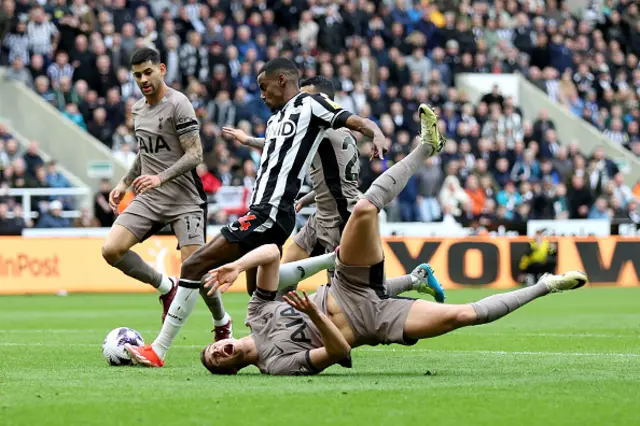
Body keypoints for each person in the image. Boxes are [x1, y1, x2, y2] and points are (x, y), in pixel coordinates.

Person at [129, 104, 586, 375]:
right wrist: (313, 314)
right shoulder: (275, 366)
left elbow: (269, 253)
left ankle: (427, 147)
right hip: (374, 321)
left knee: (366, 208)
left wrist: (237, 265)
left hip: (347, 283)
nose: (221, 351)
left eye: (212, 350)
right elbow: (342, 355)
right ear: (233, 368)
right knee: (464, 316)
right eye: (221, 360)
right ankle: (546, 284)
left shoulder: (256, 313)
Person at [123, 57, 388, 366]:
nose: (261, 96)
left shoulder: (312, 104)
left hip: (271, 211)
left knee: (194, 265)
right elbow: (278, 149)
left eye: (265, 88)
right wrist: (246, 139)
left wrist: (377, 133)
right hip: (267, 211)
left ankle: (158, 349)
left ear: (283, 81)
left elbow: (355, 121)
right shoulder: (276, 120)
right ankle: (301, 320)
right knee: (261, 294)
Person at [222, 76, 439, 299]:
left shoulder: (320, 127)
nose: (302, 101)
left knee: (350, 297)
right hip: (322, 214)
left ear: (323, 99)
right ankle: (280, 323)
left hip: (341, 217)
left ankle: (414, 279)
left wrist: (248, 140)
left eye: (306, 96)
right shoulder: (342, 131)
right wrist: (308, 199)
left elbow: (281, 142)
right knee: (283, 274)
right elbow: (334, 179)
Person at [101, 47, 232, 340]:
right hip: (150, 197)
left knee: (195, 269)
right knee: (111, 249)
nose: (143, 79)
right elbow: (145, 152)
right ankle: (166, 287)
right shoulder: (137, 109)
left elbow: (195, 154)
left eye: (148, 72)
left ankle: (222, 321)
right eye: (137, 75)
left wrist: (160, 178)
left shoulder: (179, 104)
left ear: (161, 69)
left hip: (185, 199)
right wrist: (124, 183)